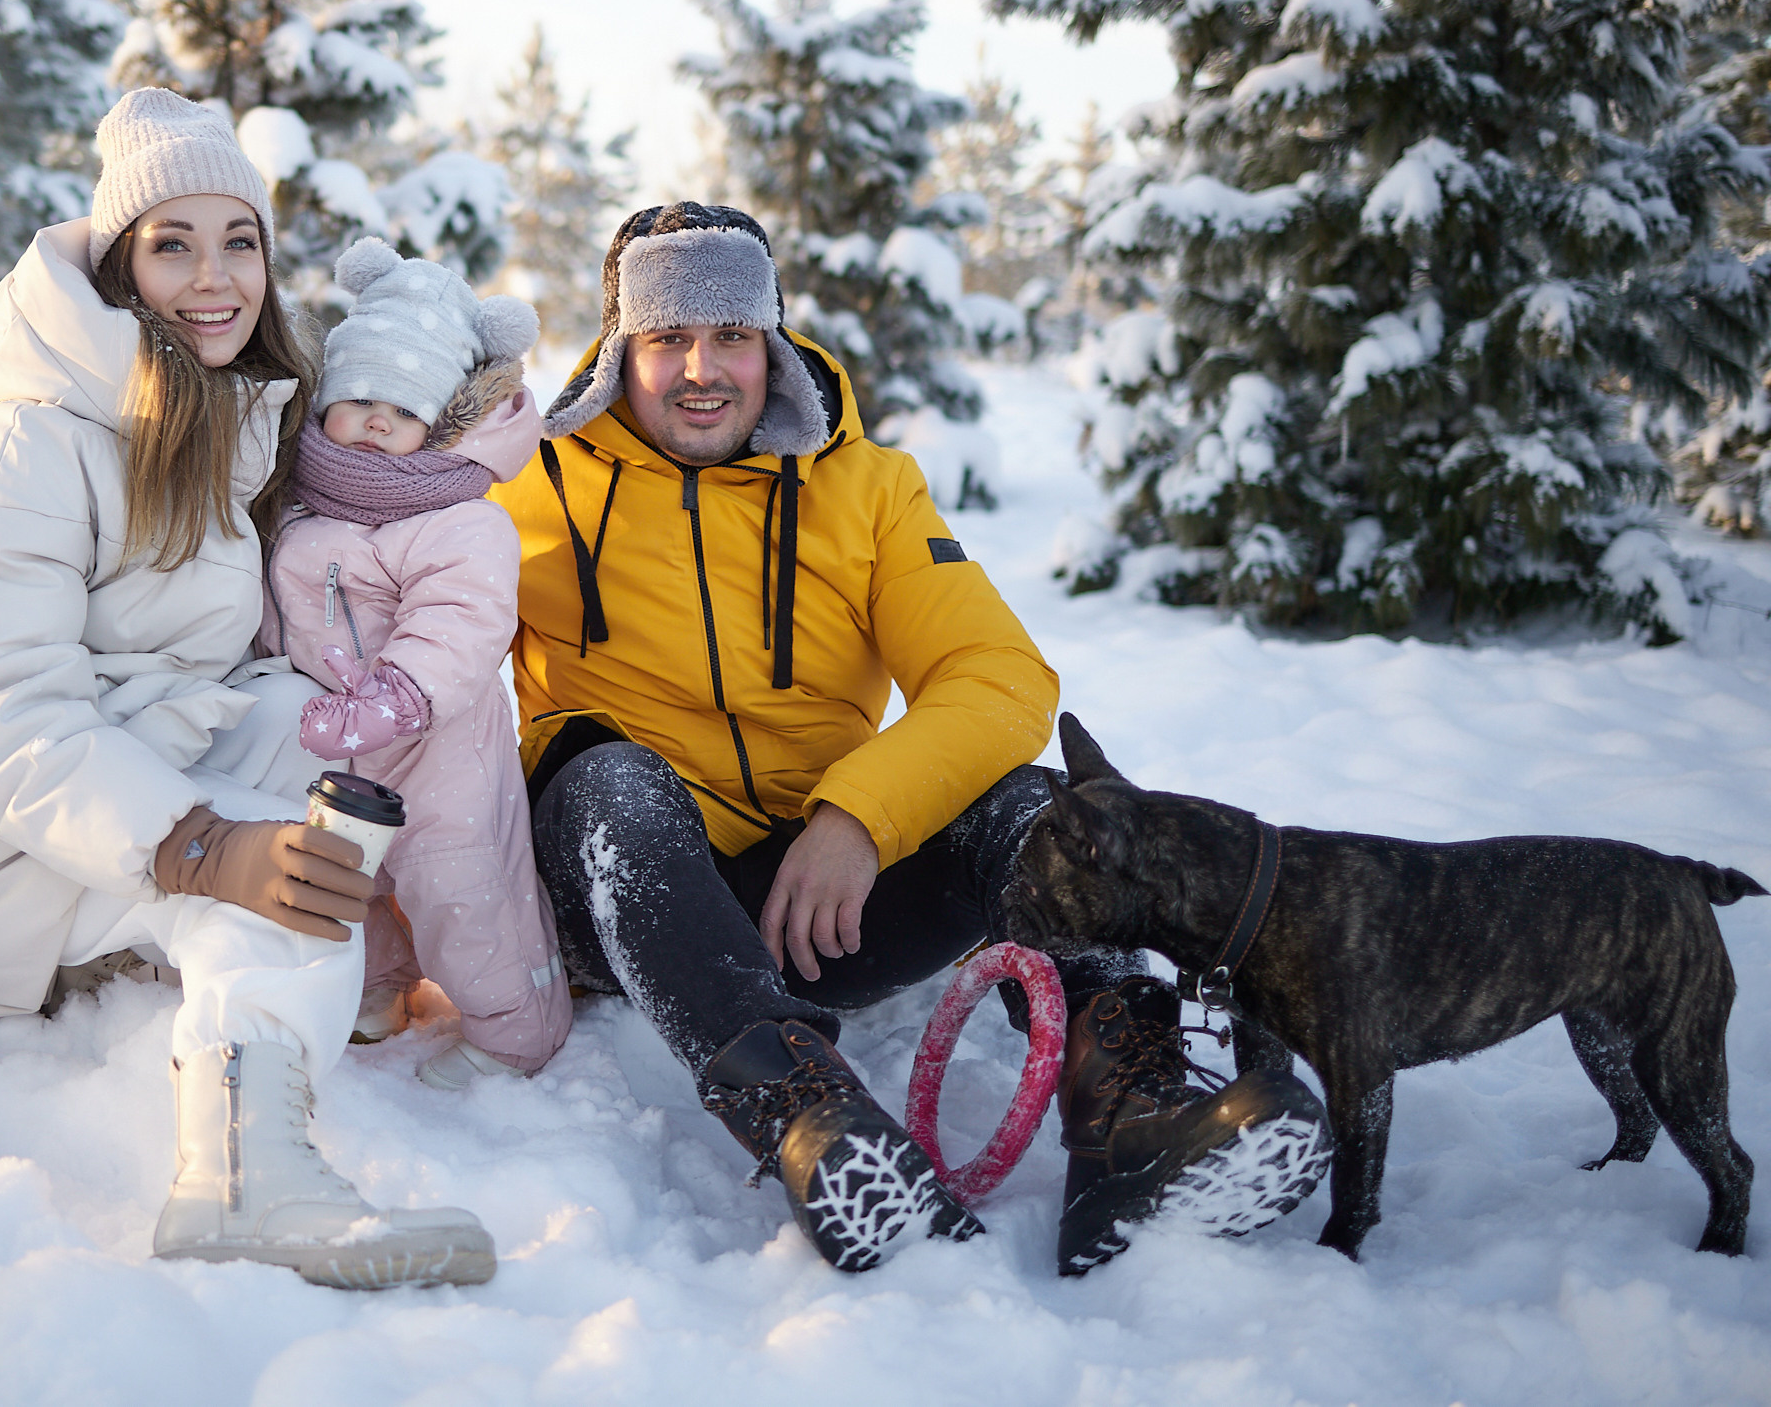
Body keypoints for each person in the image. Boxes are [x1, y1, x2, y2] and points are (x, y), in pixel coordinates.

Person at [492, 202, 1329, 1274]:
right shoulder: (529, 487)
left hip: (821, 906)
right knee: (605, 778)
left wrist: (857, 818)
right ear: (619, 351)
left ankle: (1138, 1105)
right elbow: (394, 642)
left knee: (1033, 807)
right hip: (628, 895)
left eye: (732, 335)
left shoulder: (870, 490)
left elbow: (997, 677)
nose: (702, 369)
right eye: (666, 339)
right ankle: (808, 1119)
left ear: (773, 342)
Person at [0, 89, 494, 1290]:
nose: (214, 277)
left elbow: (226, 658)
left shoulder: (226, 427)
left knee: (314, 754)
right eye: (172, 244)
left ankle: (353, 973)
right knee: (269, 880)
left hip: (102, 781)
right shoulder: (28, 446)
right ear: (123, 268)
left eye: (239, 241)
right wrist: (192, 848)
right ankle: (243, 1179)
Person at [262, 236, 570, 1090]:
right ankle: (375, 992)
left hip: (439, 750)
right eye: (355, 398)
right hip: (331, 744)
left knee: (461, 888)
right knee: (346, 879)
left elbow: (462, 623)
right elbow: (267, 611)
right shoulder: (298, 510)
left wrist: (398, 693)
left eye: (398, 410)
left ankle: (518, 1029)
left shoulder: (463, 520)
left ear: (435, 427)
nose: (371, 420)